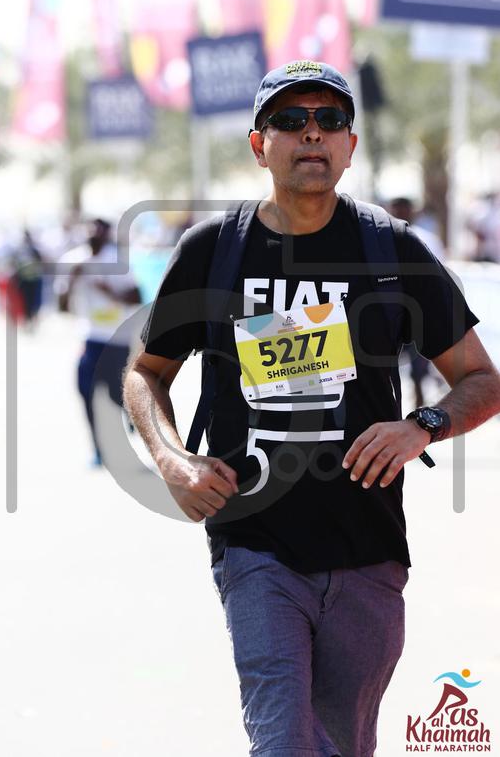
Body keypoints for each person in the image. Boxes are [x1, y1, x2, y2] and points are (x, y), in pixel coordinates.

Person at [123, 61, 500, 756]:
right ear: (258, 144)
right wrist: (174, 461)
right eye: (291, 120)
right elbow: (145, 373)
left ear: (351, 145)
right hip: (255, 545)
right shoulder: (213, 252)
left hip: (369, 550)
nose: (313, 134)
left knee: (344, 744)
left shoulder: (392, 251)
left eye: (330, 120)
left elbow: (482, 379)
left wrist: (422, 426)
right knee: (283, 741)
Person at [60, 218, 141, 466]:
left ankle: (131, 414)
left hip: (116, 338)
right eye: (89, 228)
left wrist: (109, 291)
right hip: (90, 337)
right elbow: (61, 306)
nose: (93, 233)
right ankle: (97, 448)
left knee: (117, 392)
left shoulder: (117, 261)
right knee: (85, 390)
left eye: (99, 229)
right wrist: (71, 281)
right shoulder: (74, 260)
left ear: (106, 234)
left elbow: (136, 296)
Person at [388, 197, 445, 408]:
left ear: (413, 211)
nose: (401, 212)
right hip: (390, 312)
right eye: (397, 208)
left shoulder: (425, 239)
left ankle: (419, 407)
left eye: (404, 208)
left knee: (418, 367)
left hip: (419, 313)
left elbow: (441, 276)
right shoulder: (379, 239)